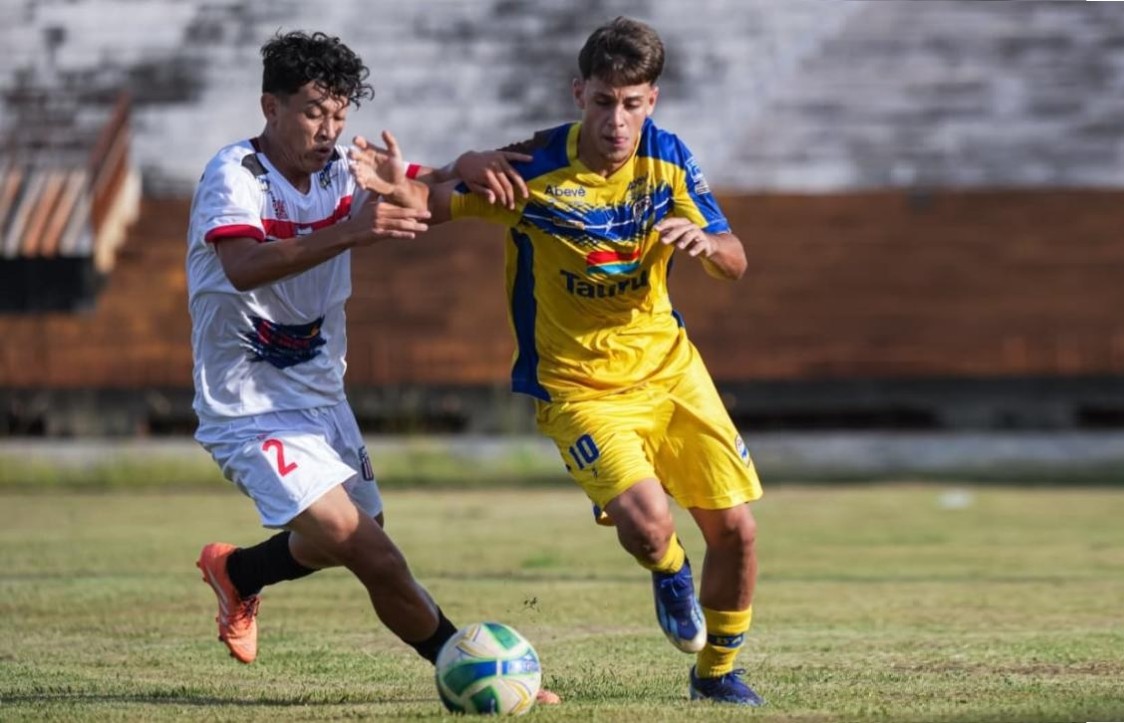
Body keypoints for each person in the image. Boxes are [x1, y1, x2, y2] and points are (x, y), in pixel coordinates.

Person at [351, 16, 764, 706]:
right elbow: (429, 201)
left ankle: (716, 675)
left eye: (631, 104)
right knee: (650, 526)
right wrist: (408, 180)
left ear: (652, 101)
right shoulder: (533, 167)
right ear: (579, 94)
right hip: (579, 388)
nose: (616, 120)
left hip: (671, 371)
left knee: (738, 532)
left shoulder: (669, 160)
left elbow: (736, 259)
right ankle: (669, 570)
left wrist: (707, 245)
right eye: (603, 101)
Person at [186, 30, 558, 706]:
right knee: (370, 551)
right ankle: (472, 669)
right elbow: (243, 266)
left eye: (338, 114)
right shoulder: (234, 174)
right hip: (248, 408)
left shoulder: (344, 169)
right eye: (312, 112)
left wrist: (467, 164)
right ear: (270, 106)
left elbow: (422, 187)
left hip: (322, 398)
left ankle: (238, 572)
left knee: (357, 538)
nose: (328, 129)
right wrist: (353, 229)